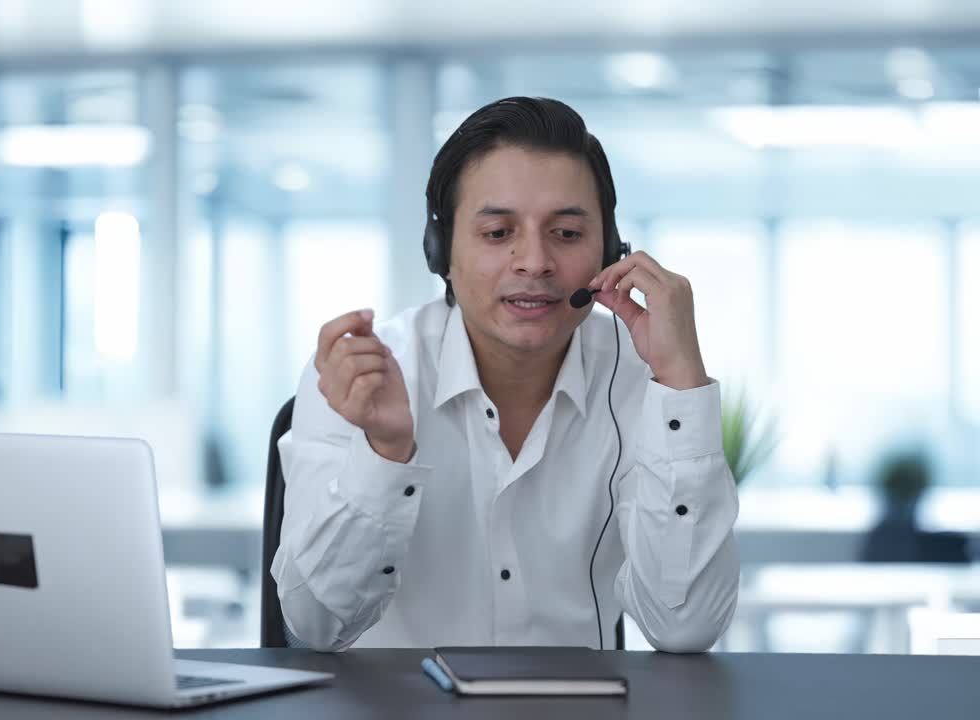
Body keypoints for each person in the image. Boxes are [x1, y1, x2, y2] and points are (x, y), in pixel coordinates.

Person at [271, 96, 739, 653]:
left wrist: (682, 386)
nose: (534, 261)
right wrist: (385, 452)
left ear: (610, 250)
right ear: (440, 251)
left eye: (566, 234)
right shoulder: (366, 376)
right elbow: (316, 624)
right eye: (498, 233)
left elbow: (685, 628)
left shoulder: (645, 378)